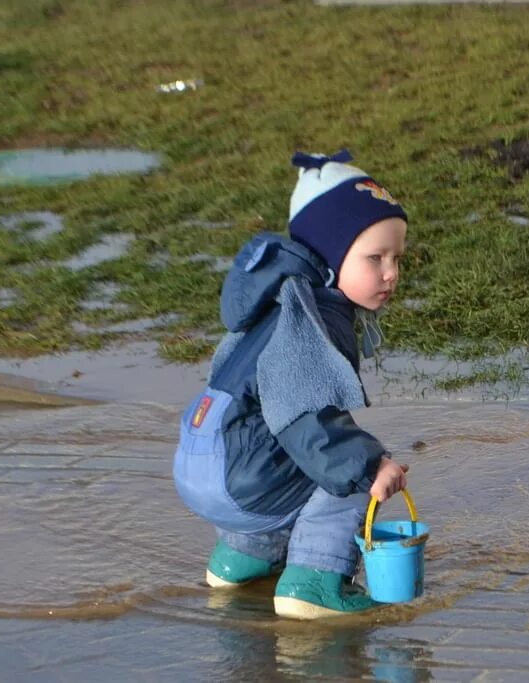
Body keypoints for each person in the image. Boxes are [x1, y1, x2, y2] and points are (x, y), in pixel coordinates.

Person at [173, 150, 410, 620]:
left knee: (296, 457)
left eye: (397, 258)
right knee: (356, 472)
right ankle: (314, 584)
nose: (391, 273)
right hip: (241, 479)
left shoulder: (279, 300)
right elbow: (307, 421)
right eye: (374, 258)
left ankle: (241, 561)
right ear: (330, 254)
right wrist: (370, 466)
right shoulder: (314, 319)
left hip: (201, 458)